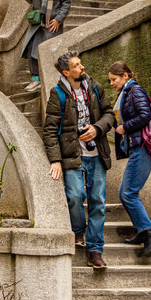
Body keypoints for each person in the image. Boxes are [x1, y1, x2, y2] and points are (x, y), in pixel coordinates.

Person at [42, 51, 115, 270]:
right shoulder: (58, 94)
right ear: (66, 72)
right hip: (72, 155)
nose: (82, 67)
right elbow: (50, 130)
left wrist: (97, 128)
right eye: (76, 65)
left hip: (96, 154)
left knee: (98, 203)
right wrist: (55, 160)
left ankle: (95, 250)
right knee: (74, 196)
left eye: (80, 63)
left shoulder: (95, 88)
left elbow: (109, 114)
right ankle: (77, 230)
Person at [108, 61, 151, 257]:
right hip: (136, 148)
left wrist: (125, 127)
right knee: (126, 192)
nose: (112, 84)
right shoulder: (126, 92)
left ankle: (149, 233)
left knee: (128, 193)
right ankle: (143, 231)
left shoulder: (135, 90)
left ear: (125, 76)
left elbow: (145, 115)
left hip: (142, 147)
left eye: (114, 79)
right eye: (110, 80)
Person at [21, 0, 70, 91]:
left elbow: (66, 2)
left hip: (51, 24)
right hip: (37, 23)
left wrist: (59, 20)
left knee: (49, 52)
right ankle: (35, 79)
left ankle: (52, 79)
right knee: (32, 50)